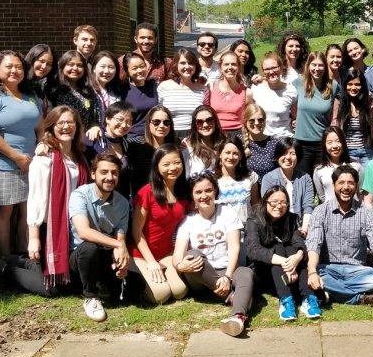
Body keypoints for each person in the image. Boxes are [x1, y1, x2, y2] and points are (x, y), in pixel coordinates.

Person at [3, 106, 90, 297]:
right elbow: (36, 199)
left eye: (70, 122)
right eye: (60, 123)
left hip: (73, 227)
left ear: (77, 126)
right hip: (49, 228)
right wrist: (33, 238)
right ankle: (5, 269)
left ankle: (24, 262)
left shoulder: (81, 157)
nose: (66, 127)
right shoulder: (44, 160)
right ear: (51, 127)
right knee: (53, 288)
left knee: (73, 283)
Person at [0, 50, 44, 257]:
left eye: (19, 67)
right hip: (3, 163)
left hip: (32, 162)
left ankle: (24, 251)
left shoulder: (31, 96)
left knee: (27, 209)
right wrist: (17, 157)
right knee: (5, 211)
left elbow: (40, 126)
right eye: (8, 66)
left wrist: (41, 147)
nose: (14, 70)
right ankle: (7, 257)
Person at [173, 172, 257, 336]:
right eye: (198, 192)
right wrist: (179, 265)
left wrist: (227, 276)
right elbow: (177, 255)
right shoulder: (188, 221)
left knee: (246, 272)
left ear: (215, 192)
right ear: (192, 196)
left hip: (227, 271)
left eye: (208, 191)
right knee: (192, 254)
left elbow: (234, 247)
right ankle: (235, 296)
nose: (204, 196)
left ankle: (237, 316)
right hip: (201, 275)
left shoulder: (227, 213)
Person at [68, 152, 146, 321]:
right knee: (90, 248)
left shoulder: (122, 203)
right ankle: (91, 297)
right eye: (104, 172)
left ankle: (98, 284)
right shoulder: (80, 195)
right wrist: (118, 246)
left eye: (114, 173)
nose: (109, 177)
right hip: (79, 256)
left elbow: (120, 239)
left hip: (104, 257)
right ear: (93, 174)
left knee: (138, 285)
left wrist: (121, 262)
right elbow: (84, 231)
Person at [306, 165, 373, 306]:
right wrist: (312, 271)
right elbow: (314, 244)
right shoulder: (320, 211)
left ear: (357, 186)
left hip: (357, 271)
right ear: (333, 185)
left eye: (350, 183)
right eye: (341, 183)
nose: (346, 187)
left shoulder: (366, 213)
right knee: (309, 274)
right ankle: (360, 298)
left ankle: (332, 293)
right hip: (328, 269)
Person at [246, 186, 321, 322]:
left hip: (290, 275)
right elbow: (253, 250)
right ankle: (286, 300)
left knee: (291, 248)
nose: (279, 206)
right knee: (278, 248)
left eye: (283, 202)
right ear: (265, 202)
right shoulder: (254, 220)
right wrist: (284, 261)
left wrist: (297, 257)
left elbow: (298, 240)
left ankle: (308, 297)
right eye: (274, 202)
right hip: (265, 274)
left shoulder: (291, 219)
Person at [131, 144, 191, 304]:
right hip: (141, 255)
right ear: (157, 167)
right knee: (161, 294)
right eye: (166, 164)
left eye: (177, 162)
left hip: (166, 253)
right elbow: (136, 231)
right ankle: (137, 287)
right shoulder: (147, 192)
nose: (173, 168)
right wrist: (150, 261)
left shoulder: (184, 191)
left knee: (180, 291)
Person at [259, 136, 316, 234]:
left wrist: (304, 230)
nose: (288, 157)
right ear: (277, 156)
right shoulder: (268, 178)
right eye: (284, 153)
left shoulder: (305, 178)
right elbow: (268, 208)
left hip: (300, 229)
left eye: (292, 154)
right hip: (276, 229)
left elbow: (308, 207)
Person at [293, 51, 337, 177]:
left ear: (325, 66)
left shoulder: (333, 86)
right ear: (308, 66)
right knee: (303, 180)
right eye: (314, 65)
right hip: (302, 143)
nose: (317, 69)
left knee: (322, 180)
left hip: (322, 144)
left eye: (320, 65)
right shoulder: (298, 83)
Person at [332, 68, 373, 167]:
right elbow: (334, 124)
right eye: (350, 84)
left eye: (357, 84)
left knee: (368, 181)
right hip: (347, 152)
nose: (353, 88)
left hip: (367, 152)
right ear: (345, 85)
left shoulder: (369, 102)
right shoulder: (339, 102)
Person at [157, 48, 207, 140]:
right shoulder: (164, 87)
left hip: (195, 136)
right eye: (183, 63)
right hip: (169, 135)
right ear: (176, 65)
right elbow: (158, 114)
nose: (187, 67)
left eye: (191, 63)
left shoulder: (202, 89)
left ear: (196, 66)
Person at [89, 101, 135, 199]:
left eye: (129, 121)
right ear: (108, 119)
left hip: (119, 201)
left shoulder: (126, 144)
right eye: (120, 119)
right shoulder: (94, 139)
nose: (124, 125)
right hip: (95, 198)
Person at [204, 51, 252, 140]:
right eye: (226, 64)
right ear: (220, 67)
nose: (230, 67)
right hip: (215, 134)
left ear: (238, 67)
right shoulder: (211, 87)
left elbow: (249, 117)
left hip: (238, 136)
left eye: (234, 64)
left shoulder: (247, 92)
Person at [128, 105, 175, 193]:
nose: (161, 126)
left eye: (166, 122)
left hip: (168, 196)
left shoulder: (175, 145)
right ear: (148, 123)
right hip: (142, 199)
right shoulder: (135, 144)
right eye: (156, 122)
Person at [48, 50, 96, 136]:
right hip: (61, 138)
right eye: (70, 65)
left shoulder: (88, 91)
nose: (75, 68)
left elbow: (93, 117)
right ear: (62, 66)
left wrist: (94, 126)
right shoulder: (53, 90)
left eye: (79, 65)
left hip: (83, 139)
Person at [253, 52, 298, 138]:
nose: (271, 71)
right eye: (267, 69)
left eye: (274, 67)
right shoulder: (256, 88)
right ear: (263, 71)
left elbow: (295, 117)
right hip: (262, 139)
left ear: (281, 68)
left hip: (284, 139)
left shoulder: (291, 90)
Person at [313, 126, 361, 205]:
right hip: (330, 214)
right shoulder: (319, 170)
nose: (334, 146)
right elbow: (322, 197)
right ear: (324, 146)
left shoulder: (356, 166)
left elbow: (361, 193)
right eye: (330, 142)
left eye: (338, 141)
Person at [214, 138, 258, 226]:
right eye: (227, 153)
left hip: (247, 229)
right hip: (222, 230)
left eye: (235, 153)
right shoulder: (212, 180)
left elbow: (255, 205)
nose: (231, 157)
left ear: (241, 156)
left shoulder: (250, 176)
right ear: (220, 154)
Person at [122, 52, 159, 144]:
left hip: (155, 136)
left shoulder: (154, 85)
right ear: (127, 71)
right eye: (134, 68)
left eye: (142, 66)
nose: (140, 70)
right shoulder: (123, 90)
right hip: (134, 138)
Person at [182, 105, 227, 178]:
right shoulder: (188, 148)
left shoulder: (226, 143)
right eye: (199, 122)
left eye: (209, 120)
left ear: (215, 121)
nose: (205, 125)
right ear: (194, 125)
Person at [88, 51, 125, 130]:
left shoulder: (118, 89)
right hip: (92, 136)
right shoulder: (87, 90)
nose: (106, 71)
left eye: (111, 67)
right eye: (102, 66)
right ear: (94, 68)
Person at [242, 103, 279, 181]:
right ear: (245, 122)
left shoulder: (274, 143)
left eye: (260, 120)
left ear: (265, 121)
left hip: (269, 189)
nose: (256, 123)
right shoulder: (239, 143)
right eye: (252, 120)